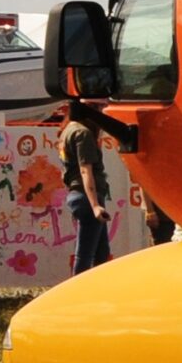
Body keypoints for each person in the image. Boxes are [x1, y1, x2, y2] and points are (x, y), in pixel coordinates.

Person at [57, 106, 112, 274]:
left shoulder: (68, 130)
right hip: (87, 197)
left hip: (78, 195)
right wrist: (95, 205)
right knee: (85, 255)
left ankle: (100, 290)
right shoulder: (83, 133)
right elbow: (85, 170)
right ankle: (76, 295)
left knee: (102, 253)